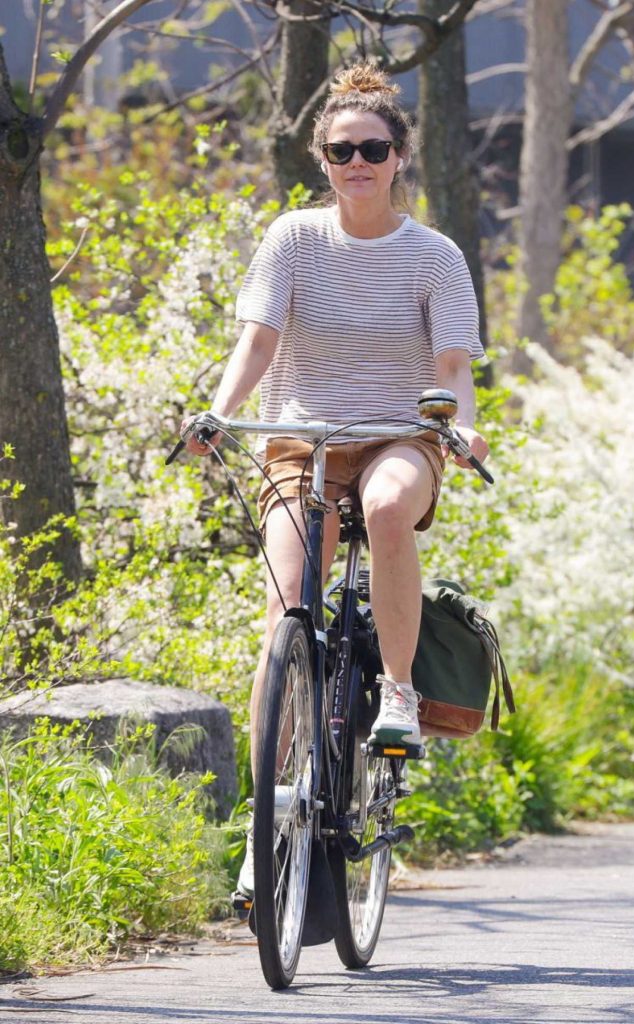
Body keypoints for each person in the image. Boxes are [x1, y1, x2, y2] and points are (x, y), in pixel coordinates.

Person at [183, 62, 488, 898]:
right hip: (300, 439)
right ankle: (264, 821)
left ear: (399, 158)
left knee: (389, 506)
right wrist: (217, 412)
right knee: (287, 609)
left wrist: (457, 424)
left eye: (372, 147)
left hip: (399, 436)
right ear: (322, 158)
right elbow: (257, 340)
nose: (356, 161)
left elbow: (453, 365)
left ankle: (395, 694)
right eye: (340, 149)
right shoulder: (290, 240)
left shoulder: (434, 255)